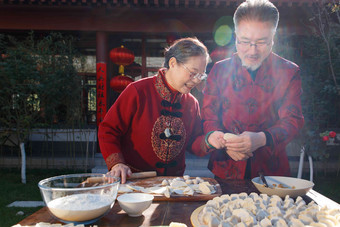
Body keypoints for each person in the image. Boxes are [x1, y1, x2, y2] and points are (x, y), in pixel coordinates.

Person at [202, 0, 304, 180]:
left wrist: (262, 139)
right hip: (226, 166)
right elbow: (209, 115)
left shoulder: (289, 72)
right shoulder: (219, 70)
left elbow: (293, 120)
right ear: (236, 37)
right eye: (244, 42)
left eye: (261, 42)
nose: (252, 51)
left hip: (271, 171)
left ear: (273, 39)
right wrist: (226, 142)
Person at [99, 37, 210, 183]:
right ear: (173, 63)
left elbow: (194, 142)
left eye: (200, 75)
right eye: (193, 72)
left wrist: (209, 140)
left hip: (173, 185)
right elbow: (108, 130)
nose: (196, 80)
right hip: (135, 182)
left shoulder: (191, 104)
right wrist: (116, 163)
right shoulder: (138, 91)